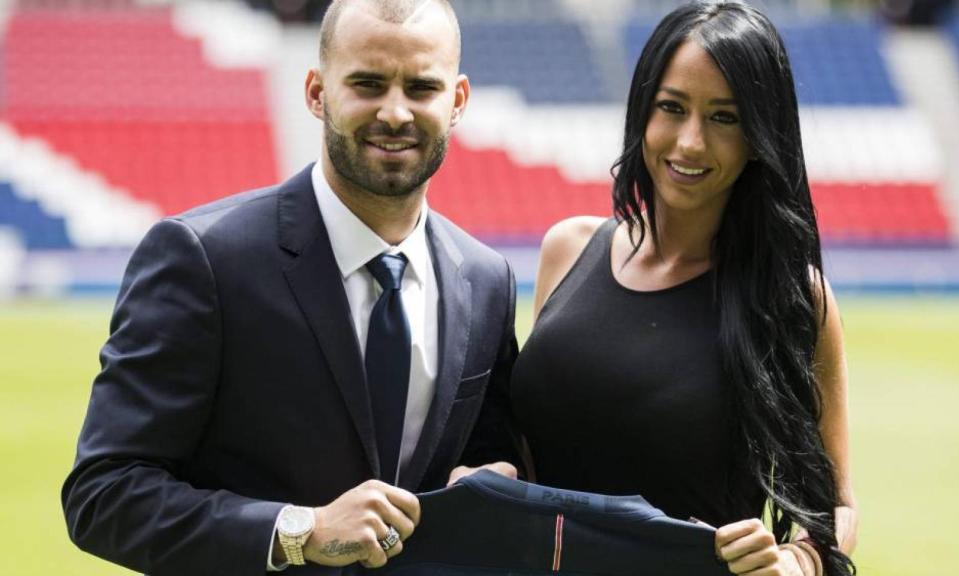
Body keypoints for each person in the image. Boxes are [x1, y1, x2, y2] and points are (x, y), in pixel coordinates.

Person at [61, 1, 520, 574]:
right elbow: (103, 495)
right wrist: (298, 531)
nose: (397, 112)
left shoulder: (486, 280)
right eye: (368, 84)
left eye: (422, 87)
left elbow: (486, 457)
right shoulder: (203, 258)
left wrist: (492, 480)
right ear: (316, 92)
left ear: (456, 102)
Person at [510, 1, 857, 575]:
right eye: (672, 107)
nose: (690, 143)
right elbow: (525, 448)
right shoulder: (567, 249)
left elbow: (837, 502)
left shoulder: (793, 299)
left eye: (725, 117)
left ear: (760, 135)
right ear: (642, 113)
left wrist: (799, 563)